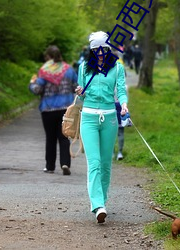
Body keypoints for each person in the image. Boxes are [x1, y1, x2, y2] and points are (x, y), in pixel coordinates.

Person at [75, 31, 128, 223]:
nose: (99, 53)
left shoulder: (117, 68)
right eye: (96, 49)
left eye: (103, 49)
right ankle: (97, 205)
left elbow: (121, 90)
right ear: (91, 50)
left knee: (106, 164)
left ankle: (102, 201)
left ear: (108, 49)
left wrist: (123, 104)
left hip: (110, 119)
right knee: (94, 163)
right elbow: (81, 96)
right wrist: (80, 92)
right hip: (88, 118)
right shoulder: (84, 68)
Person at [29, 45, 78, 175]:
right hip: (65, 109)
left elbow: (37, 90)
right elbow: (76, 87)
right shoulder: (69, 70)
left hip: (48, 109)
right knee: (64, 137)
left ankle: (50, 166)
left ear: (48, 57)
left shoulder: (44, 71)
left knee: (50, 138)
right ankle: (65, 163)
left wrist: (32, 83)